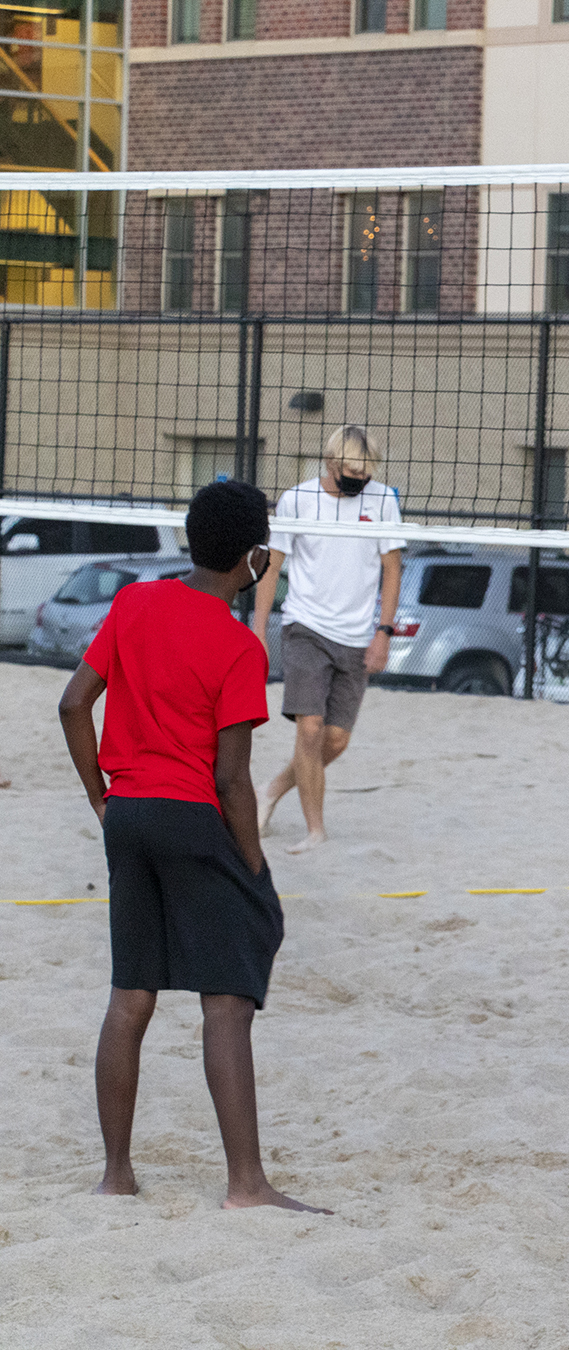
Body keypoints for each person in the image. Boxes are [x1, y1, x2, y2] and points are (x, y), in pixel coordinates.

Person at [57, 479, 327, 1213]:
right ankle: (247, 1184)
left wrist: (99, 795)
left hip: (130, 814)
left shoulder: (136, 602)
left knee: (130, 997)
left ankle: (116, 1175)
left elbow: (73, 703)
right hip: (190, 817)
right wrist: (256, 867)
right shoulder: (239, 645)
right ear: (254, 557)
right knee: (226, 1004)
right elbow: (233, 780)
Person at [251, 425, 405, 854]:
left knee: (336, 739)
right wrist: (259, 631)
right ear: (331, 462)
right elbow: (271, 565)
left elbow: (392, 569)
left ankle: (272, 789)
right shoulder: (298, 499)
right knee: (310, 730)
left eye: (366, 472)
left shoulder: (381, 500)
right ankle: (315, 830)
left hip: (357, 636)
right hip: (305, 627)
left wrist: (384, 633)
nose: (359, 478)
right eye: (351, 470)